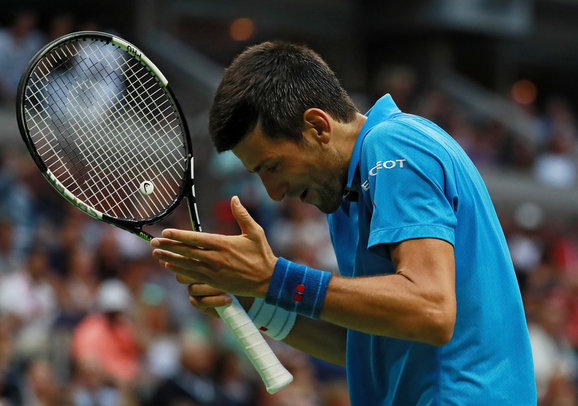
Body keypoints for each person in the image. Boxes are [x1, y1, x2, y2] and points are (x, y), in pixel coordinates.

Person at [150, 41, 537, 404]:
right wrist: (253, 298)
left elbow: (431, 309)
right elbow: (365, 344)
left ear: (318, 126)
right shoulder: (347, 195)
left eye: (273, 166)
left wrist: (273, 279)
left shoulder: (392, 146)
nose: (273, 192)